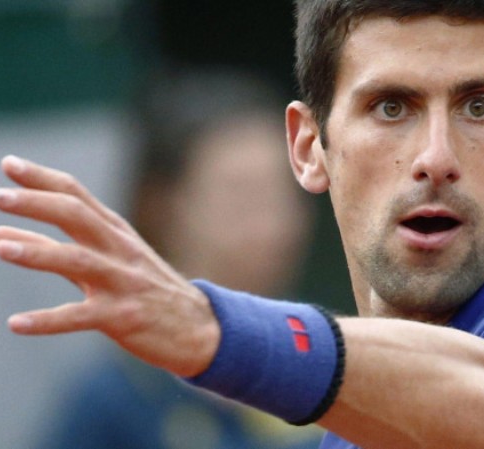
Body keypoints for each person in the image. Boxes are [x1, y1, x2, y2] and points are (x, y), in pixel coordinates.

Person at [0, 1, 484, 448]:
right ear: (309, 147)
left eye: (478, 106)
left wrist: (211, 329)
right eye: (391, 107)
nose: (435, 158)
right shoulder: (355, 429)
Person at [32, 68, 322, 449]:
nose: (272, 223)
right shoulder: (117, 402)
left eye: (283, 192)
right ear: (162, 206)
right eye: (242, 197)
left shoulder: (332, 356)